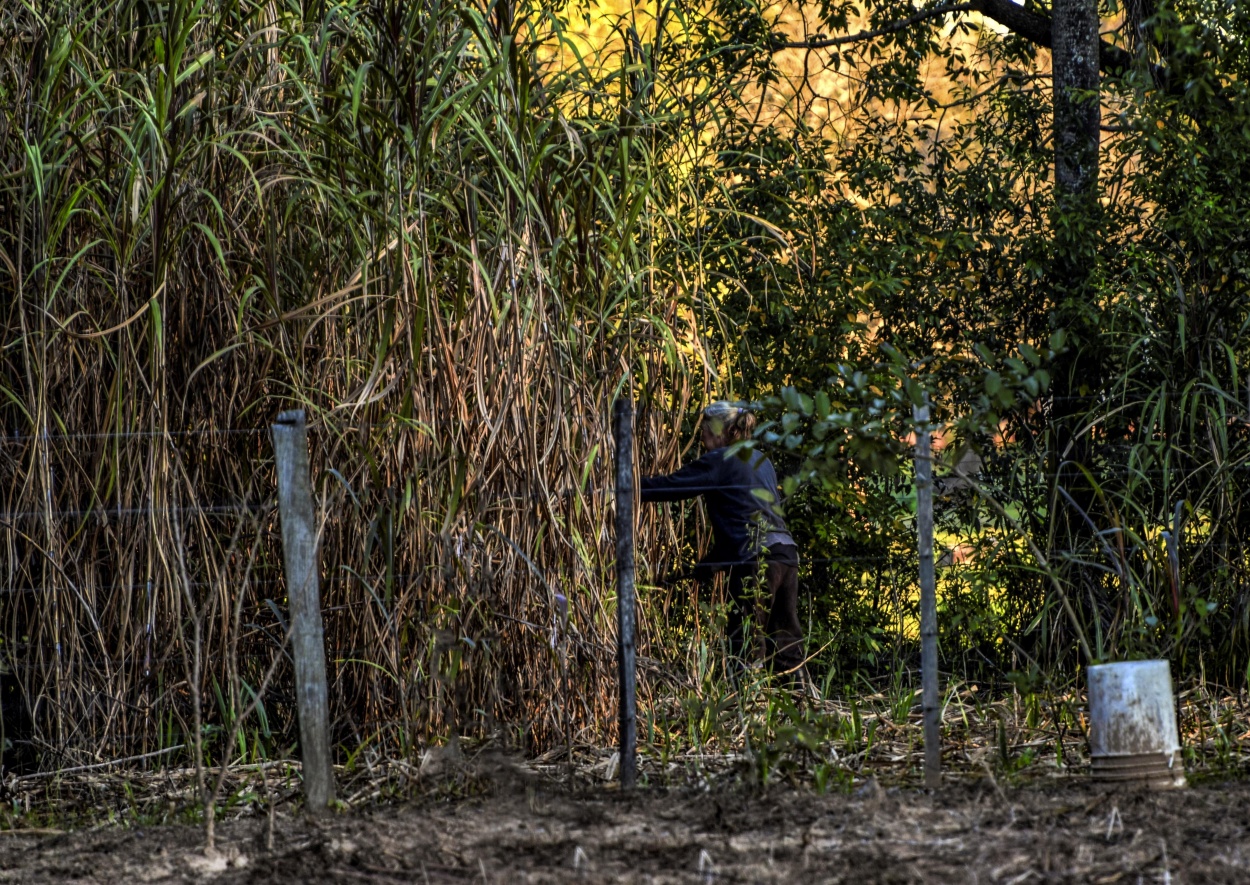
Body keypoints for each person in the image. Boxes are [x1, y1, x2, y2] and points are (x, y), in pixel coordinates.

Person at [640, 401, 805, 681]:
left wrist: (624, 485)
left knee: (746, 641)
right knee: (785, 638)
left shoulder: (721, 459)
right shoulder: (760, 460)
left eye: (705, 430)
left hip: (756, 559)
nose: (702, 438)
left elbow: (670, 487)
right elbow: (746, 518)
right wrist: (708, 564)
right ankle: (800, 704)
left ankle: (746, 707)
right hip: (786, 554)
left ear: (721, 431)